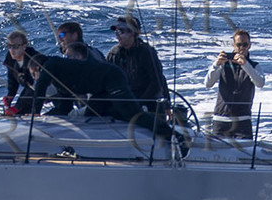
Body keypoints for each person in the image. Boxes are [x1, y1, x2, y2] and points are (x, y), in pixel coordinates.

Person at [26, 46, 171, 140]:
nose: (35, 78)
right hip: (99, 89)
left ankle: (172, 135)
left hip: (111, 77)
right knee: (92, 113)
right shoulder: (58, 75)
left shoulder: (51, 65)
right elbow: (64, 106)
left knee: (133, 115)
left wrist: (34, 114)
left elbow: (40, 88)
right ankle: (140, 114)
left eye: (34, 74)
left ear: (39, 68)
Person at [205, 28, 264, 138]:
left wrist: (245, 64)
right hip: (221, 119)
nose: (241, 48)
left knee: (245, 154)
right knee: (217, 153)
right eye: (238, 45)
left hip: (243, 119)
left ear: (249, 45)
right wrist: (216, 64)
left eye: (245, 45)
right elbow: (208, 83)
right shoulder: (223, 63)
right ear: (233, 45)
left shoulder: (254, 65)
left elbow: (260, 83)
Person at [105, 14, 170, 114]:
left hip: (148, 103)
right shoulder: (113, 54)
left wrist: (139, 102)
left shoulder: (147, 53)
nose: (117, 35)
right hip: (123, 102)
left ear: (132, 33)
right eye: (116, 31)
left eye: (121, 31)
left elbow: (157, 82)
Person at [0, 30, 41, 115]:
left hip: (43, 88)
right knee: (17, 113)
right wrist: (10, 96)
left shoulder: (34, 58)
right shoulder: (10, 60)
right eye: (9, 46)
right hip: (29, 91)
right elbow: (12, 81)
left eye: (15, 47)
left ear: (24, 46)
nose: (12, 50)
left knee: (19, 109)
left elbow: (36, 84)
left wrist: (17, 108)